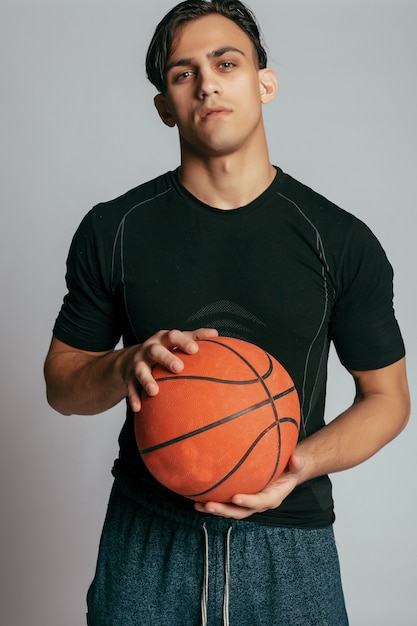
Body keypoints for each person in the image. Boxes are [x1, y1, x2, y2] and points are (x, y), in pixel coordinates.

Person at [44, 1, 410, 624]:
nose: (207, 81)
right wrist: (123, 364)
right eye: (184, 73)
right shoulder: (115, 229)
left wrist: (299, 464)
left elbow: (389, 399)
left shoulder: (339, 239)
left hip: (290, 543)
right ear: (165, 107)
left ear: (263, 82)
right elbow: (61, 385)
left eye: (226, 62)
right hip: (148, 537)